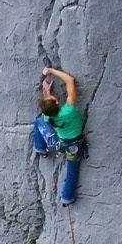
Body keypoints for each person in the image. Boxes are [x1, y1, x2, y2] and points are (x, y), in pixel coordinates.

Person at [32, 66, 85, 205]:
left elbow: (47, 111)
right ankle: (66, 198)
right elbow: (70, 81)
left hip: (59, 145)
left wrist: (47, 92)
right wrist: (51, 71)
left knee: (38, 121)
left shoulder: (48, 118)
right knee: (72, 170)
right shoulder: (69, 110)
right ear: (57, 102)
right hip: (75, 146)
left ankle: (41, 148)